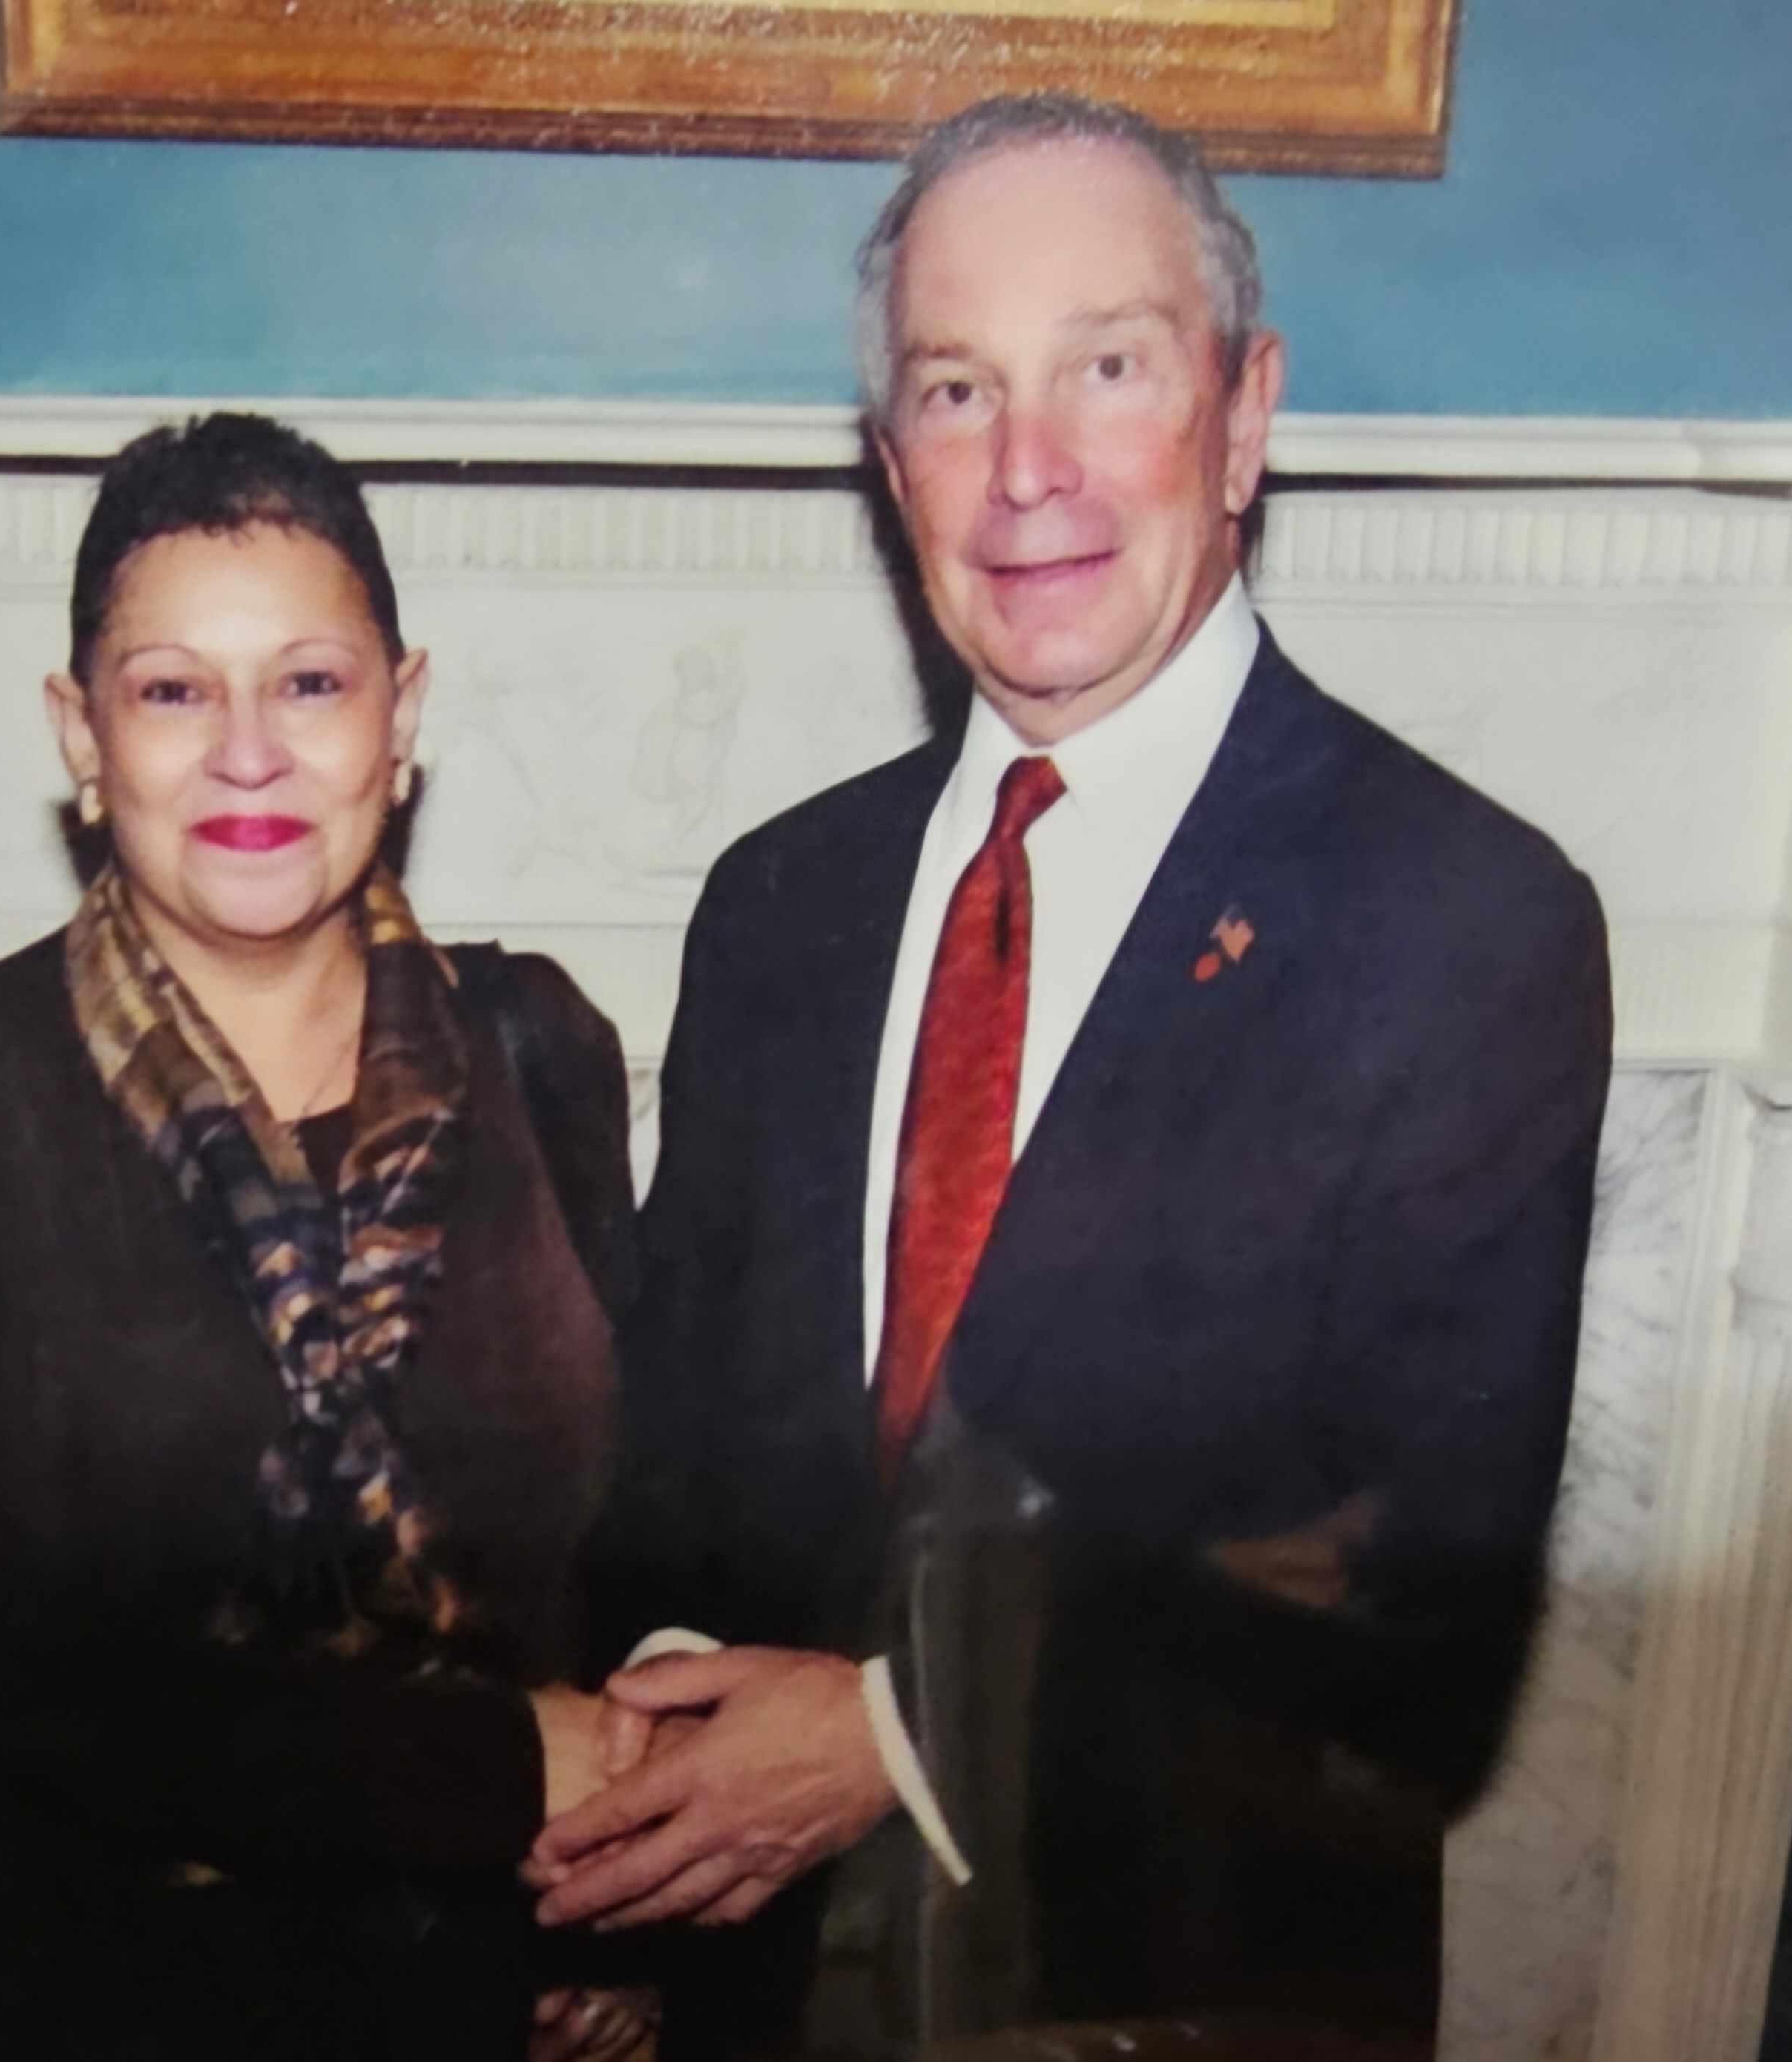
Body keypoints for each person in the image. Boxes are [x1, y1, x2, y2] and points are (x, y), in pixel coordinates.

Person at [542, 95, 1612, 2058]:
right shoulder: (781, 904)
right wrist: (663, 1765)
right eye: (957, 391)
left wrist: (888, 1735)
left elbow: (1417, 1638)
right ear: (892, 468)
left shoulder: (1465, 921)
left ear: (1245, 415)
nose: (1027, 469)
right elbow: (681, 1460)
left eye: (1107, 368)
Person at [0, 414, 656, 2061]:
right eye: (174, 691)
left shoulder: (542, 1046)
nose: (250, 753)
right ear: (82, 733)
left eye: (311, 683)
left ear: (401, 715)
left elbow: (612, 1543)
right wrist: (495, 1774)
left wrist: (622, 1896)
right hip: (54, 2007)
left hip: (469, 2004)